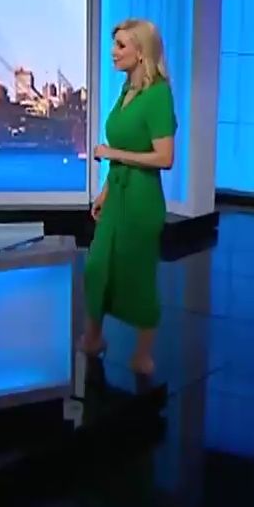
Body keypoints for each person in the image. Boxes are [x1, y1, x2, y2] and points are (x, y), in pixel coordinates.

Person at [80, 19, 176, 376]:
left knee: (137, 276)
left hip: (141, 202)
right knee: (97, 267)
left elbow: (165, 158)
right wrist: (105, 191)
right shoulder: (126, 91)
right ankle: (93, 339)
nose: (113, 52)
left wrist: (112, 154)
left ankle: (142, 355)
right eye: (114, 44)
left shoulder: (158, 95)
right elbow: (121, 147)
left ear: (141, 51)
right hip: (117, 194)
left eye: (121, 46)